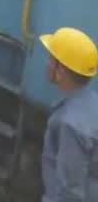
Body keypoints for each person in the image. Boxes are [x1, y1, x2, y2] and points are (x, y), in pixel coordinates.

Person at [39, 27, 98, 201]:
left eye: (51, 59)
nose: (47, 63)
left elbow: (70, 190)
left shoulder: (71, 124)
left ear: (61, 71)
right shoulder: (91, 102)